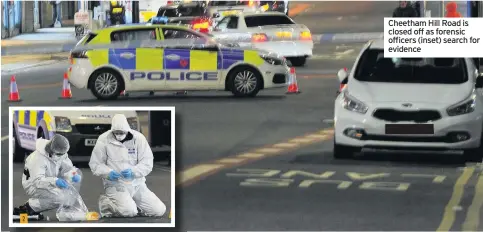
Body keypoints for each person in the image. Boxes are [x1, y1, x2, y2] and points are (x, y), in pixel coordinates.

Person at [89, 114, 166, 218]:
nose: (119, 135)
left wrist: (134, 172)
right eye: (116, 133)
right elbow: (95, 163)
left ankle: (133, 205)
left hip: (137, 184)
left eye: (122, 132)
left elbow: (147, 163)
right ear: (112, 130)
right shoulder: (104, 139)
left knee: (159, 210)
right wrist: (108, 173)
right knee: (129, 212)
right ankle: (106, 203)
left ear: (127, 130)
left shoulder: (138, 138)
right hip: (116, 184)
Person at [13, 134, 81, 217]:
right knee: (60, 198)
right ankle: (28, 208)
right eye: (60, 154)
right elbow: (37, 181)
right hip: (32, 185)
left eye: (64, 153)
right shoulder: (38, 158)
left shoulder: (59, 153)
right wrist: (55, 181)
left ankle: (36, 207)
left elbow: (67, 167)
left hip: (49, 181)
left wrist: (72, 174)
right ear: (51, 151)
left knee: (68, 196)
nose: (62, 155)